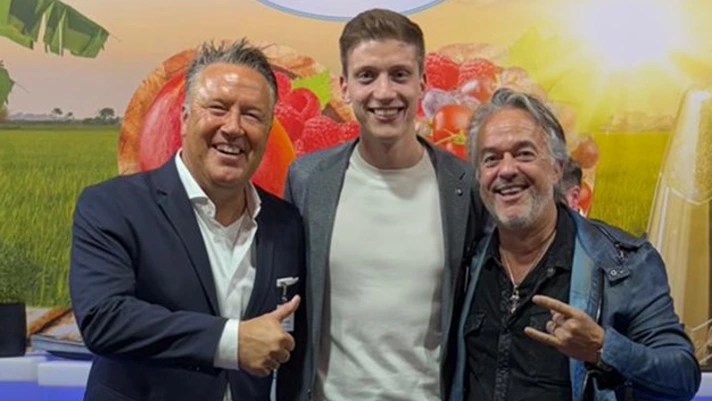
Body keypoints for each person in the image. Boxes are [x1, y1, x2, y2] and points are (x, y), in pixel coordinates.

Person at [69, 39, 306, 401]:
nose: (233, 127)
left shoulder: (285, 222)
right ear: (183, 118)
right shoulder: (112, 205)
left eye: (252, 115)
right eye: (218, 108)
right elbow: (104, 318)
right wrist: (232, 342)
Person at [283, 8, 486, 401]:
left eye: (399, 74)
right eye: (367, 76)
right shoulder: (307, 179)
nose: (384, 92)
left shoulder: (463, 185)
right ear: (344, 88)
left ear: (422, 83)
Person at [450, 87, 701, 401]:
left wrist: (602, 349)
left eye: (524, 153)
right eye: (491, 159)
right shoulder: (465, 264)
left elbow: (682, 378)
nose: (507, 169)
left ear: (557, 167)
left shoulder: (624, 263)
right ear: (478, 176)